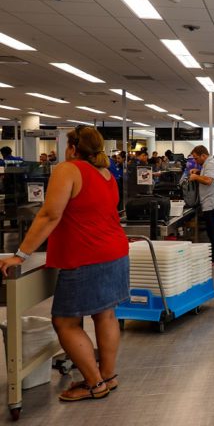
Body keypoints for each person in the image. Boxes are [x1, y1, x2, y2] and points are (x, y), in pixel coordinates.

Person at [0, 126, 129, 402]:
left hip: (86, 256)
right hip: (115, 251)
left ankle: (94, 384)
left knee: (64, 322)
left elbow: (49, 215)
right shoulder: (107, 174)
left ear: (72, 147)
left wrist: (19, 254)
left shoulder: (67, 170)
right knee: (105, 315)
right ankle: (107, 376)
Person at [188, 145, 214, 264]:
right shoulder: (209, 163)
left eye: (196, 158)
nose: (195, 161)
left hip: (212, 203)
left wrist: (195, 177)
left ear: (203, 155)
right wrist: (199, 172)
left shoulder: (209, 164)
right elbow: (210, 176)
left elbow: (209, 180)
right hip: (212, 202)